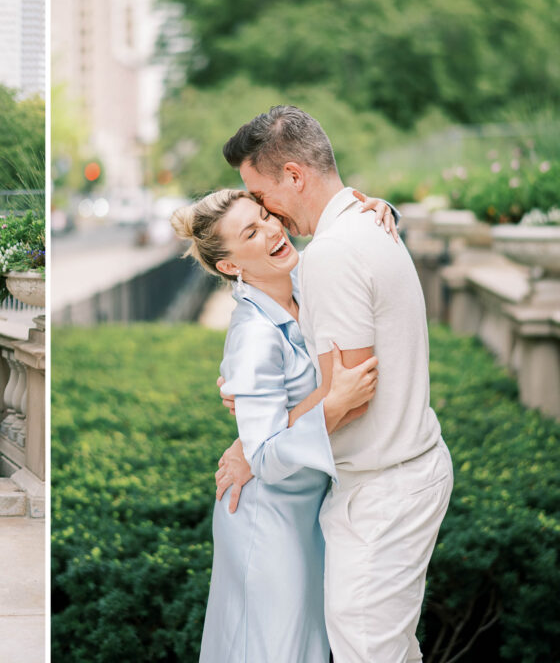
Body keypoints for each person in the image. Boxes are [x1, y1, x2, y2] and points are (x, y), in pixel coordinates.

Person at [216, 105, 453, 661]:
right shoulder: (361, 225)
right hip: (384, 480)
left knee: (370, 651)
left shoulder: (333, 252)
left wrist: (258, 447)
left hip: (384, 488)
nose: (268, 214)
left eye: (262, 197)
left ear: (294, 176)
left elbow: (348, 393)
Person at [171, 189, 392, 662]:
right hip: (266, 522)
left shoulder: (301, 287)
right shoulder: (252, 334)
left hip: (306, 512)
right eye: (250, 232)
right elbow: (265, 455)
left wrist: (381, 209)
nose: (272, 229)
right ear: (230, 266)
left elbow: (356, 249)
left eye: (266, 216)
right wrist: (334, 405)